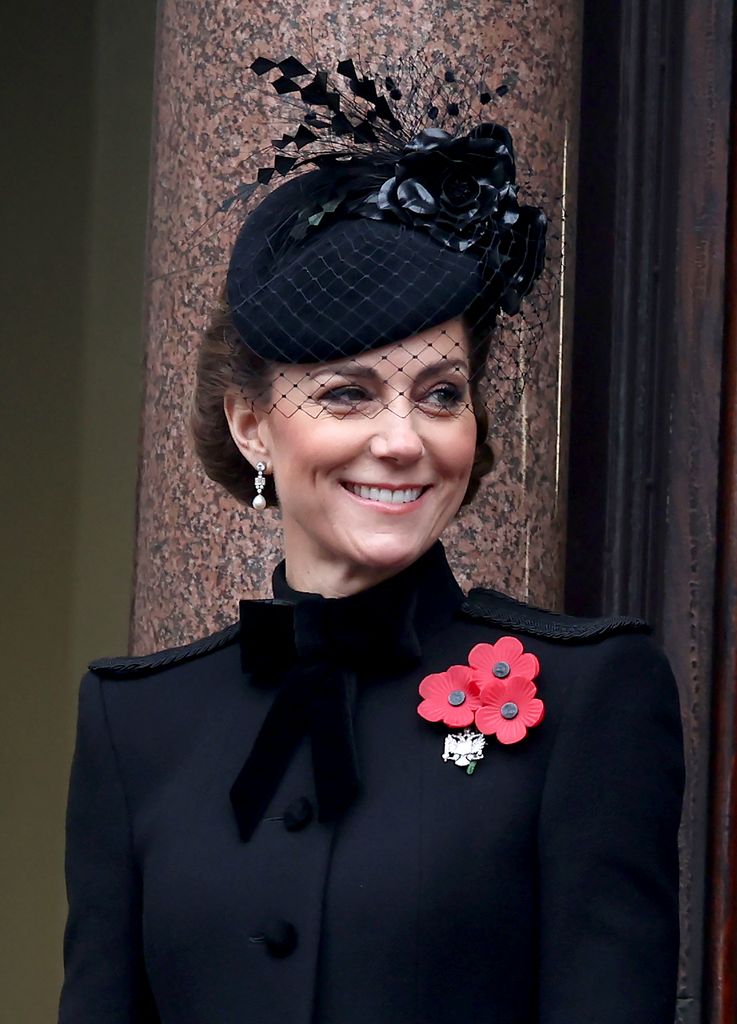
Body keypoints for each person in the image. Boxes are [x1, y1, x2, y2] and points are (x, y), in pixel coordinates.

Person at [58, 53, 685, 1024]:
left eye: (438, 393)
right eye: (346, 393)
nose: (400, 440)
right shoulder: (135, 726)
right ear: (250, 423)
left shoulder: (591, 697)